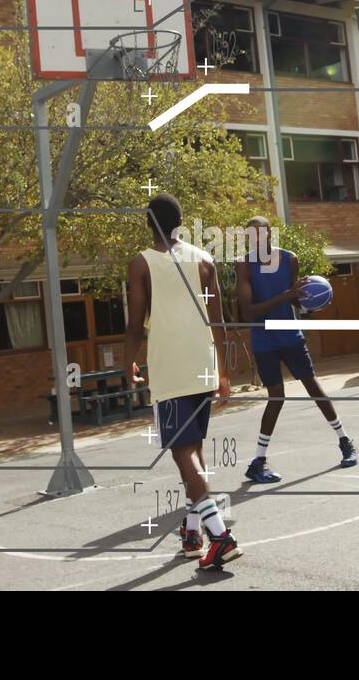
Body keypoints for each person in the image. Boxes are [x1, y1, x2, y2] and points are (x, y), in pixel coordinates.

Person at [123, 193, 240, 569]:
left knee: (181, 452)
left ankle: (220, 536)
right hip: (202, 362)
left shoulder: (142, 263)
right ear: (180, 221)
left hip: (171, 367)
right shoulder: (204, 260)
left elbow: (135, 323)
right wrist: (223, 370)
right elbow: (218, 320)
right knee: (195, 450)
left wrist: (128, 364)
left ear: (147, 222)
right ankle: (192, 533)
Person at [235, 216, 357, 484]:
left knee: (313, 387)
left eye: (261, 233)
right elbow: (248, 311)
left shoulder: (290, 259)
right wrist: (287, 296)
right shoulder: (243, 264)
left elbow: (296, 302)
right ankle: (259, 460)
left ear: (270, 234)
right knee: (276, 397)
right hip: (264, 340)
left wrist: (310, 301)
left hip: (290, 335)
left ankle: (345, 441)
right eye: (251, 235)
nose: (256, 239)